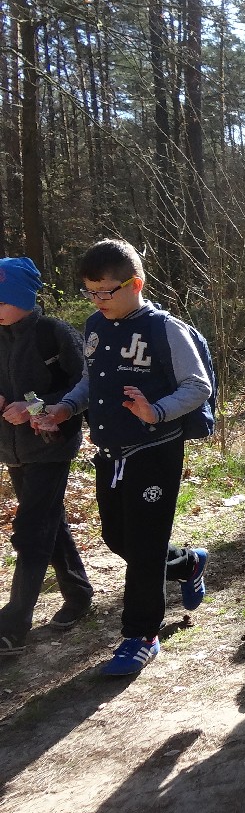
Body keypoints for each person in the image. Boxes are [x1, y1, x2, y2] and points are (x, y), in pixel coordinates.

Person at [33, 239, 211, 677]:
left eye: (106, 291)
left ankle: (141, 636)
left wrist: (157, 411)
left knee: (145, 548)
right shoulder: (95, 325)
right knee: (118, 538)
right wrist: (65, 408)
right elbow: (89, 381)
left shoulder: (165, 329)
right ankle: (188, 563)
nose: (97, 299)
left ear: (136, 284)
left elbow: (198, 386)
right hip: (111, 453)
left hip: (154, 451)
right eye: (90, 291)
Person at [0, 258, 94, 655]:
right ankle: (78, 594)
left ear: (22, 297)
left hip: (51, 446)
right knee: (48, 521)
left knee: (31, 529)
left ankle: (12, 626)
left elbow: (86, 387)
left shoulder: (53, 333)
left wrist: (33, 407)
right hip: (12, 449)